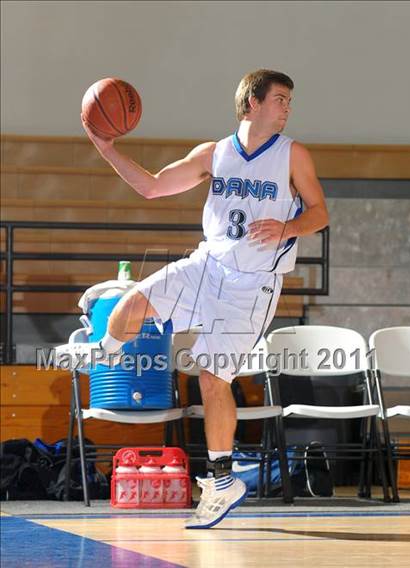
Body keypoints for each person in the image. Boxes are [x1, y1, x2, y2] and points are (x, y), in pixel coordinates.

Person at [56, 69, 329, 528]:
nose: (287, 108)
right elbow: (151, 186)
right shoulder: (214, 153)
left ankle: (222, 482)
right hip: (208, 265)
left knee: (210, 378)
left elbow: (319, 212)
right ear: (251, 104)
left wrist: (288, 227)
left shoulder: (292, 155)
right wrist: (107, 149)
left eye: (289, 101)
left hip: (253, 283)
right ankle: (101, 354)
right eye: (280, 99)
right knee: (131, 303)